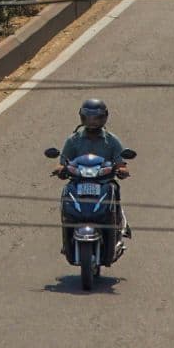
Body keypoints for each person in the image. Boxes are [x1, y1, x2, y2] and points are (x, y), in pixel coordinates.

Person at [57, 99, 130, 254]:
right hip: (78, 182)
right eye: (87, 117)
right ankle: (67, 237)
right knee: (66, 195)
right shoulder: (73, 140)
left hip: (103, 182)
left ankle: (119, 222)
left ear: (104, 117)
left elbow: (120, 162)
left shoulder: (111, 141)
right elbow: (63, 162)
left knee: (113, 188)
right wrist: (60, 169)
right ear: (82, 117)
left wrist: (121, 170)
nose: (91, 122)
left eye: (96, 117)